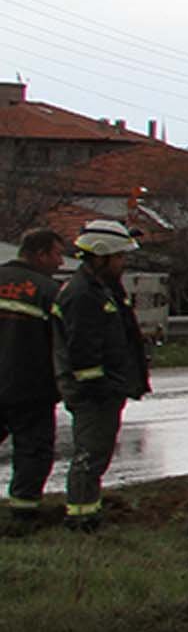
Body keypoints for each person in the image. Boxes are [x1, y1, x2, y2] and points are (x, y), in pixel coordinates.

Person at [53, 220, 151, 531]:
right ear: (101, 256)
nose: (123, 264)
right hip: (93, 392)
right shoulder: (83, 295)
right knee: (90, 455)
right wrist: (98, 388)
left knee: (97, 454)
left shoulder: (101, 289)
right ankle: (81, 519)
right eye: (119, 257)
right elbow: (83, 349)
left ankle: (86, 512)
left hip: (103, 389)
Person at [1, 225, 67, 531]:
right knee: (33, 449)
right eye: (57, 254)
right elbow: (62, 343)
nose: (61, 263)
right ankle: (23, 514)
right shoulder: (48, 291)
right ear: (40, 254)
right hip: (30, 387)